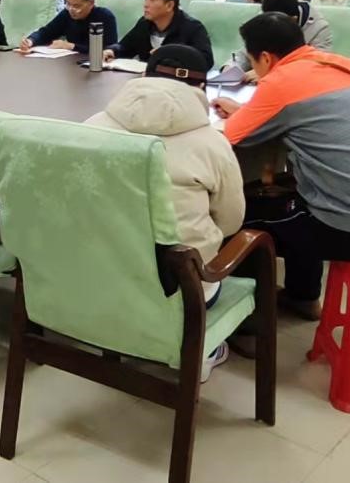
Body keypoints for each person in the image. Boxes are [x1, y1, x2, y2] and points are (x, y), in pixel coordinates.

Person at [211, 14, 350, 324]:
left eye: (252, 61)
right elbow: (303, 112)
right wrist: (246, 110)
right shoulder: (341, 65)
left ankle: (252, 322)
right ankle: (302, 297)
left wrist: (236, 115)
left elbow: (226, 138)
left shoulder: (281, 81)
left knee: (241, 214)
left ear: (266, 58)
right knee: (299, 199)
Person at [85, 44, 244, 381]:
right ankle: (203, 350)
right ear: (201, 89)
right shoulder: (212, 143)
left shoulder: (92, 125)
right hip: (179, 286)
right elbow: (232, 222)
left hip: (100, 271)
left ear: (144, 75)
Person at [230, 0, 332, 82]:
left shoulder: (319, 28)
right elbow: (248, 51)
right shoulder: (266, 18)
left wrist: (269, 72)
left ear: (293, 20)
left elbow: (318, 64)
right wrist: (231, 68)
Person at [105, 0, 213, 70]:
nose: (146, 4)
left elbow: (206, 61)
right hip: (147, 79)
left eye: (152, 0)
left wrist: (171, 53)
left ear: (169, 5)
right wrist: (113, 51)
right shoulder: (144, 23)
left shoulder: (192, 27)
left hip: (178, 83)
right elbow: (125, 46)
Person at [20, 0, 117, 54]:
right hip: (71, 63)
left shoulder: (105, 17)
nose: (71, 9)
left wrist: (72, 46)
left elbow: (109, 49)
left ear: (91, 3)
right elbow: (46, 32)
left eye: (77, 6)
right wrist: (31, 40)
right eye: (68, 4)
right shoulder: (67, 14)